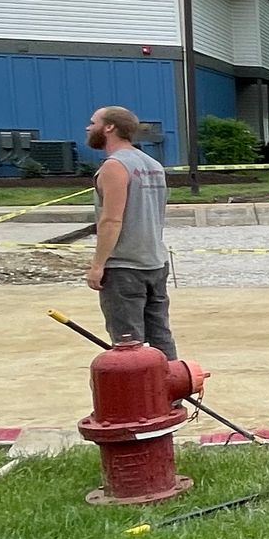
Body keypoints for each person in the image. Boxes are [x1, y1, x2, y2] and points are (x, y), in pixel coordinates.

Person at [85, 105, 177, 356]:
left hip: (125, 267)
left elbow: (112, 220)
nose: (88, 127)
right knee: (161, 336)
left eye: (93, 123)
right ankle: (171, 392)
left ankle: (137, 395)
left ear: (109, 127)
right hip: (155, 262)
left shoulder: (114, 166)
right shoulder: (153, 165)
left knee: (128, 344)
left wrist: (98, 265)